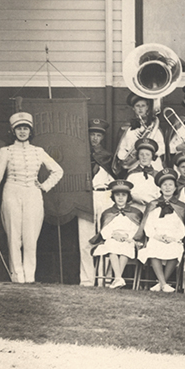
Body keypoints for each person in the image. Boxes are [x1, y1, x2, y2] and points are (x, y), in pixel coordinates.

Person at [0, 112, 64, 284]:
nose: (22, 132)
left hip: (33, 194)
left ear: (30, 131)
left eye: (25, 128)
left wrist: (45, 186)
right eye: (19, 129)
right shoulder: (6, 151)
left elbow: (58, 170)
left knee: (31, 238)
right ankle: (17, 277)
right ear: (13, 131)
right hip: (12, 193)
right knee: (14, 237)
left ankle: (30, 277)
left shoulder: (38, 151)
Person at [134, 167, 185, 292]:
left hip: (173, 237)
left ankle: (161, 283)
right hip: (156, 236)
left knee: (176, 248)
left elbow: (182, 227)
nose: (167, 187)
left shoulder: (181, 206)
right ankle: (164, 284)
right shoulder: (153, 204)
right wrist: (157, 236)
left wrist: (174, 238)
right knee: (153, 247)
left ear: (175, 188)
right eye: (164, 185)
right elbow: (148, 225)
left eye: (170, 185)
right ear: (160, 187)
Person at [78, 118, 114, 287]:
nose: (94, 138)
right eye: (92, 134)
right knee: (85, 238)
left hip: (105, 195)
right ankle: (87, 280)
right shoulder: (80, 155)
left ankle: (104, 280)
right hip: (86, 195)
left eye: (98, 135)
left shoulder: (108, 156)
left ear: (102, 137)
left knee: (105, 237)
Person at [89, 179, 143, 289]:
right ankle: (119, 278)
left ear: (128, 197)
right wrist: (114, 235)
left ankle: (117, 278)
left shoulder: (135, 212)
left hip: (128, 239)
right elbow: (104, 229)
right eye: (117, 195)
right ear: (113, 197)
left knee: (126, 247)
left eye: (123, 195)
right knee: (111, 245)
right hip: (112, 238)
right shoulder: (107, 212)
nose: (120, 198)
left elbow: (137, 229)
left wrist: (127, 237)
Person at [113, 94, 166, 176]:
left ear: (147, 108)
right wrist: (126, 158)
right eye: (137, 106)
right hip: (133, 165)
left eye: (143, 106)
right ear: (133, 108)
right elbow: (121, 149)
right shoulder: (127, 129)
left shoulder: (154, 128)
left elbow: (162, 148)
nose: (140, 108)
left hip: (153, 165)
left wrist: (149, 154)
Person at [124, 137, 162, 207]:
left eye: (147, 154)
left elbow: (161, 194)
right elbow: (126, 193)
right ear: (138, 156)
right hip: (134, 207)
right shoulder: (131, 175)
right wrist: (134, 197)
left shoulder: (157, 175)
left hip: (153, 208)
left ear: (152, 157)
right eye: (141, 154)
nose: (144, 157)